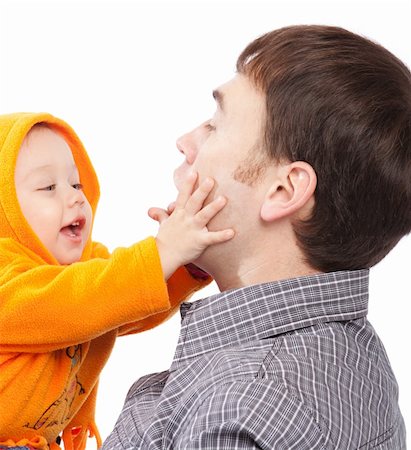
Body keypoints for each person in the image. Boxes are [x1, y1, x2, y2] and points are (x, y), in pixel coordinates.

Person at [103, 25, 410, 449]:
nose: (184, 142)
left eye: (214, 126)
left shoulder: (243, 412)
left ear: (283, 191)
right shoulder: (354, 354)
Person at [0, 112, 234, 450]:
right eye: (48, 187)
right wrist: (161, 252)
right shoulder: (7, 281)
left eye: (77, 183)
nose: (75, 197)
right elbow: (77, 302)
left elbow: (124, 303)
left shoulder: (87, 271)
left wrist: (185, 266)